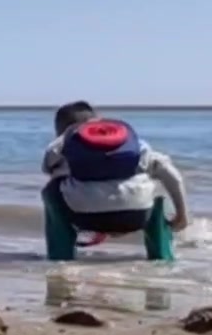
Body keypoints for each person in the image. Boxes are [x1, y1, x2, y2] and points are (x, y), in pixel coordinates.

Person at [42, 100, 190, 262]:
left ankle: (60, 257)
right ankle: (162, 257)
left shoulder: (63, 144)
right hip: (138, 216)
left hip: (85, 218)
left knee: (52, 190)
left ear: (61, 130)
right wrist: (182, 215)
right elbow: (171, 174)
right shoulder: (132, 143)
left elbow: (47, 168)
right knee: (154, 190)